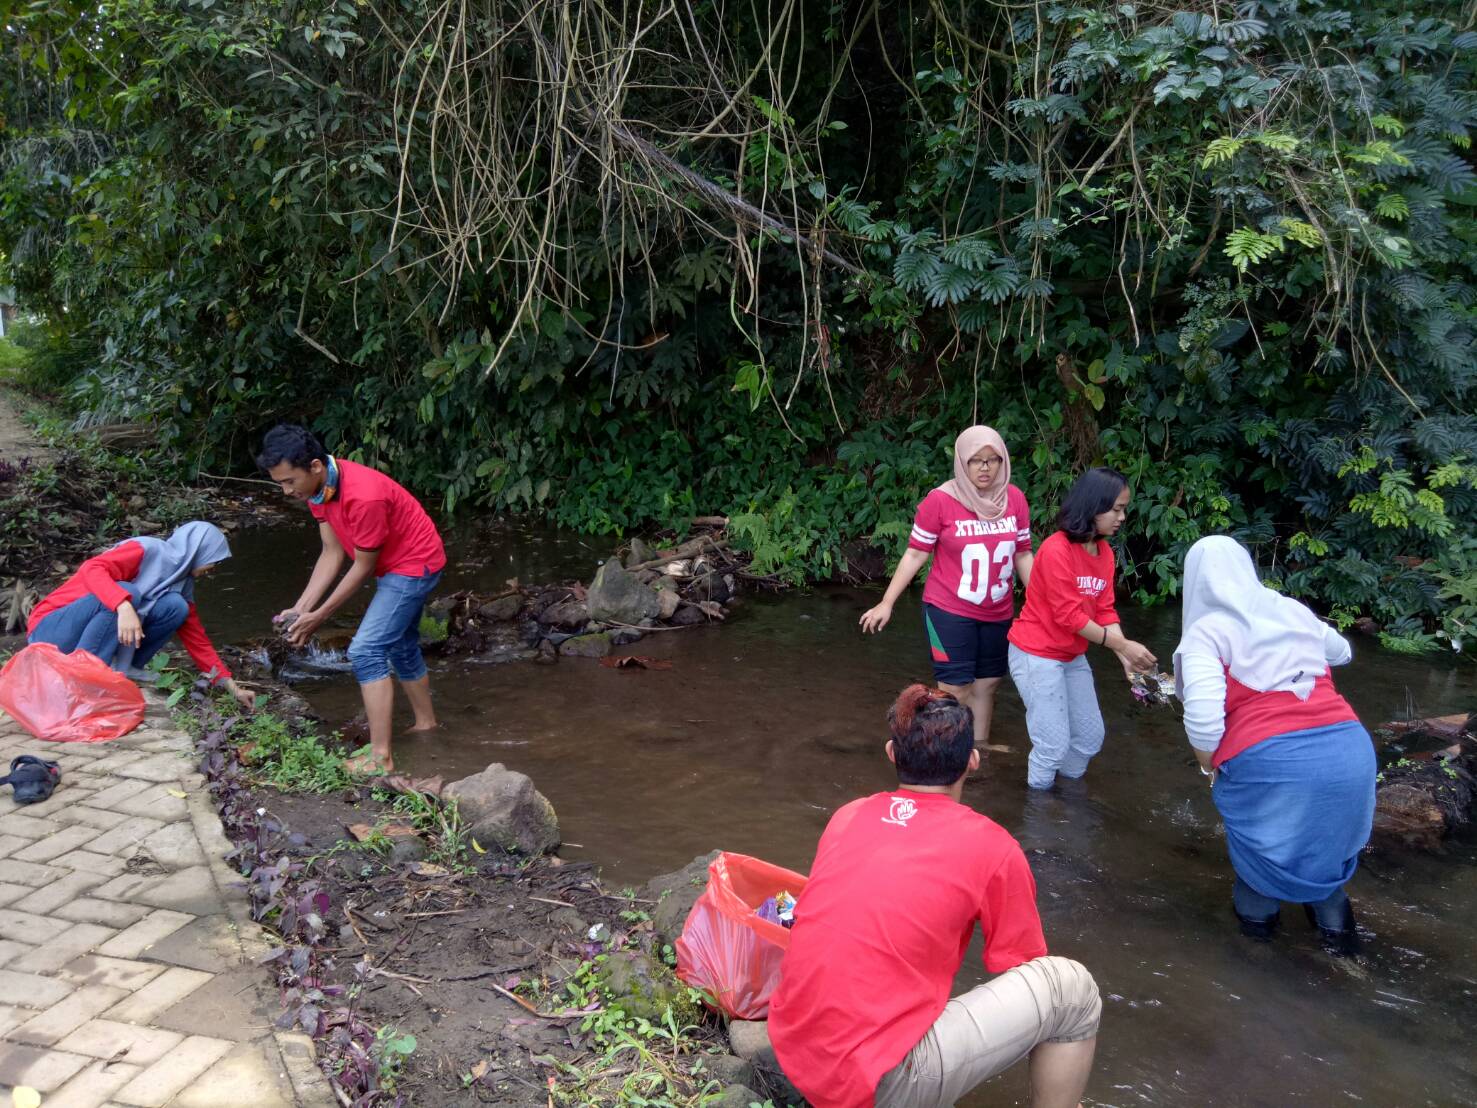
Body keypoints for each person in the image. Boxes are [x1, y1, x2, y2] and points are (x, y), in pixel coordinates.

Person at [768, 685, 1101, 1108]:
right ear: (972, 762)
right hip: (874, 1083)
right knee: (1072, 992)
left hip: (796, 1048)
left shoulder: (848, 815)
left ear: (892, 753)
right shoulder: (994, 847)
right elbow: (1021, 965)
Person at [1174, 535, 1374, 954]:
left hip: (1273, 759)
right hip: (1349, 750)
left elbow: (1205, 722)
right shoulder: (1290, 610)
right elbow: (1342, 653)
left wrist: (1210, 768)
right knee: (1326, 860)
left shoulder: (1208, 632)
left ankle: (1260, 965)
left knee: (1260, 865)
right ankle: (1346, 957)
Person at [256, 424, 446, 773]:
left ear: (314, 466)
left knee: (366, 650)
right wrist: (302, 608)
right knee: (401, 644)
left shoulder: (364, 496)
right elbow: (331, 553)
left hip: (414, 565)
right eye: (279, 483)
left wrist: (320, 616)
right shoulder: (319, 490)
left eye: (289, 481)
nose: (285, 491)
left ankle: (381, 758)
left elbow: (361, 566)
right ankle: (426, 724)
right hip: (395, 564)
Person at [860, 426, 1034, 749]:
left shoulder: (1015, 500)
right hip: (949, 611)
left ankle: (978, 748)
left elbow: (1023, 554)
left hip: (997, 611)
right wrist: (887, 602)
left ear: (1003, 461)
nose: (985, 468)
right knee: (955, 688)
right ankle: (953, 753)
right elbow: (915, 554)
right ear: (962, 463)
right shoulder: (940, 501)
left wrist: (1044, 601)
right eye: (976, 461)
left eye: (992, 460)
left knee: (988, 684)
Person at [1006, 467, 1156, 790]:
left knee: (1090, 737)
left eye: (1124, 509)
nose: (1122, 517)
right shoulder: (1056, 549)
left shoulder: (1103, 553)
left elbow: (1103, 610)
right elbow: (1069, 617)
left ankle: (1066, 800)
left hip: (1071, 656)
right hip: (1035, 653)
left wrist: (1124, 654)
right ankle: (1040, 814)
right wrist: (1122, 645)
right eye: (1116, 509)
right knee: (1052, 744)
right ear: (1093, 506)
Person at [26, 521, 255, 710]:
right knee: (128, 592)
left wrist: (233, 688)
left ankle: (126, 666)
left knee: (176, 607)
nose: (212, 568)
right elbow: (91, 569)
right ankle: (82, 682)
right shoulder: (146, 550)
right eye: (213, 560)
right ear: (198, 550)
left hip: (85, 635)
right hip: (49, 631)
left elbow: (198, 641)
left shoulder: (180, 584)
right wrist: (123, 606)